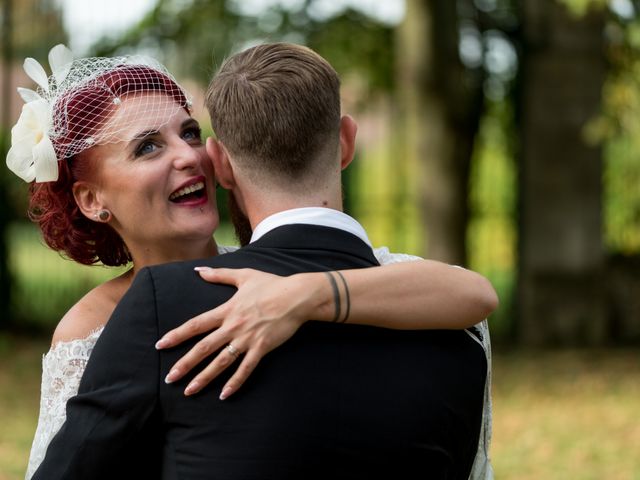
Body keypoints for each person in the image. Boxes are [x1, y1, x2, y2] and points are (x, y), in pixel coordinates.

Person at [17, 42, 493, 480]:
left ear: (221, 161)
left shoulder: (280, 271)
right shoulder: (91, 328)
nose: (188, 155)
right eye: (148, 146)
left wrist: (305, 294)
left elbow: (472, 294)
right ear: (91, 199)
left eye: (189, 132)